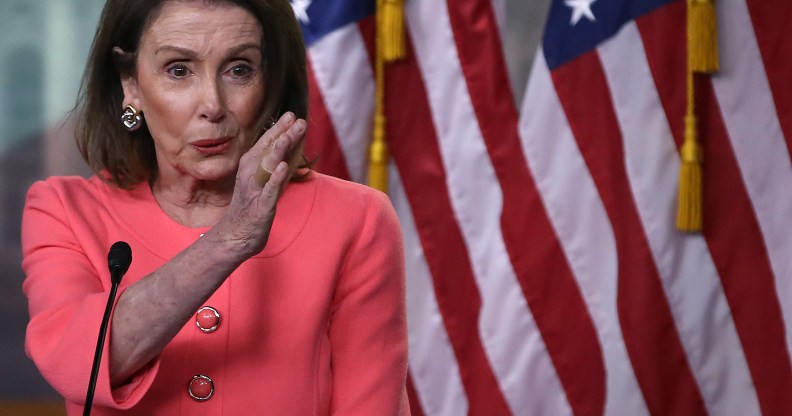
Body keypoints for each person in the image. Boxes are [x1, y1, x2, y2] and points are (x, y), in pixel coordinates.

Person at [20, 0, 410, 414]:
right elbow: (74, 363)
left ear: (272, 81)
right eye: (178, 70)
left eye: (239, 69)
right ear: (130, 82)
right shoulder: (63, 209)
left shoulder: (357, 219)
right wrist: (229, 240)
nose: (213, 104)